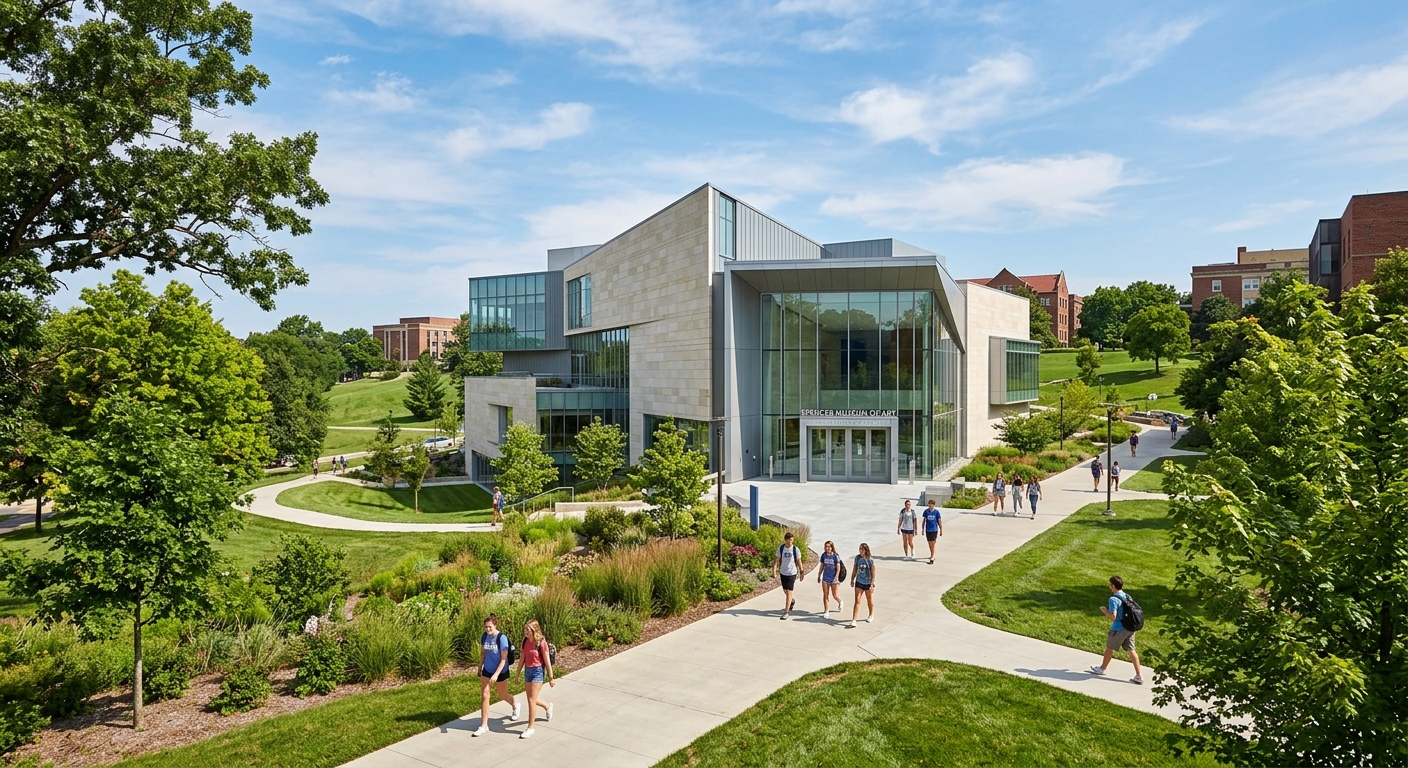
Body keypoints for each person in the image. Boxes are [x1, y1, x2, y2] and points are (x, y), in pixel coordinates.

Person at [1090, 575, 1144, 685]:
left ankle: (1102, 668)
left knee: (1109, 648)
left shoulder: (1113, 599)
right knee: (1131, 650)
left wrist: (1105, 611)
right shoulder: (1126, 596)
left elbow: (1113, 616)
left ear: (1113, 586)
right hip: (1130, 628)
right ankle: (1139, 675)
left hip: (1118, 628)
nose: (1110, 587)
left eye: (1110, 585)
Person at [472, 614, 518, 736]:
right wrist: (480, 667)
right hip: (487, 670)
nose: (488, 629)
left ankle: (514, 705)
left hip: (500, 671)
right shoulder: (484, 637)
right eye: (486, 627)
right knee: (485, 695)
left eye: (490, 627)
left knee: (502, 695)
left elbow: (503, 659)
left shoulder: (502, 638)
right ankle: (484, 725)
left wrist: (496, 675)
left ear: (495, 625)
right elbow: (483, 653)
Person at [515, 619, 555, 739]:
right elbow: (522, 658)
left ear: (534, 630)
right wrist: (517, 675)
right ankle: (547, 706)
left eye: (527, 629)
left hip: (538, 671)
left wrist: (551, 677)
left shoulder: (541, 642)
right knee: (531, 699)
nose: (525, 631)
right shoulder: (525, 641)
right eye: (525, 629)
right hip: (528, 671)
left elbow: (547, 661)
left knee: (532, 700)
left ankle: (530, 728)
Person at [773, 532, 802, 620]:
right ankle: (792, 600)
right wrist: (774, 571)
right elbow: (776, 561)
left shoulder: (795, 549)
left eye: (791, 540)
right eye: (788, 540)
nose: (789, 542)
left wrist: (802, 571)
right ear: (785, 540)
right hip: (783, 572)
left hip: (792, 573)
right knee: (785, 590)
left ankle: (786, 611)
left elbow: (799, 561)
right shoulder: (781, 548)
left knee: (789, 591)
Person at [848, 543, 876, 628]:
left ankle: (871, 615)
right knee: (857, 601)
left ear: (866, 550)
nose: (861, 551)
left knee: (869, 599)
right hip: (859, 582)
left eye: (862, 549)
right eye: (860, 549)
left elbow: (873, 572)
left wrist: (872, 583)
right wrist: (852, 579)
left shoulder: (870, 560)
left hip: (868, 583)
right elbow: (855, 569)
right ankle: (854, 620)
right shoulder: (857, 558)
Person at [817, 541, 843, 614]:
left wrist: (836, 577)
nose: (827, 548)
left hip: (834, 578)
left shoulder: (835, 556)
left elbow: (838, 568)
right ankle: (826, 610)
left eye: (829, 547)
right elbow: (822, 566)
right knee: (825, 595)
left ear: (832, 547)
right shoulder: (824, 555)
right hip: (825, 578)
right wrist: (819, 575)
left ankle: (840, 601)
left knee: (835, 595)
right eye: (826, 546)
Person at [921, 499, 943, 564]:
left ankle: (932, 556)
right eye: (929, 504)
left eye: (932, 504)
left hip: (934, 529)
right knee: (929, 543)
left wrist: (941, 529)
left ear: (934, 505)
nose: (930, 506)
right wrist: (922, 529)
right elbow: (924, 521)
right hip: (928, 529)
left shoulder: (936, 512)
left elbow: (939, 521)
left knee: (933, 543)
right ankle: (932, 554)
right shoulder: (926, 512)